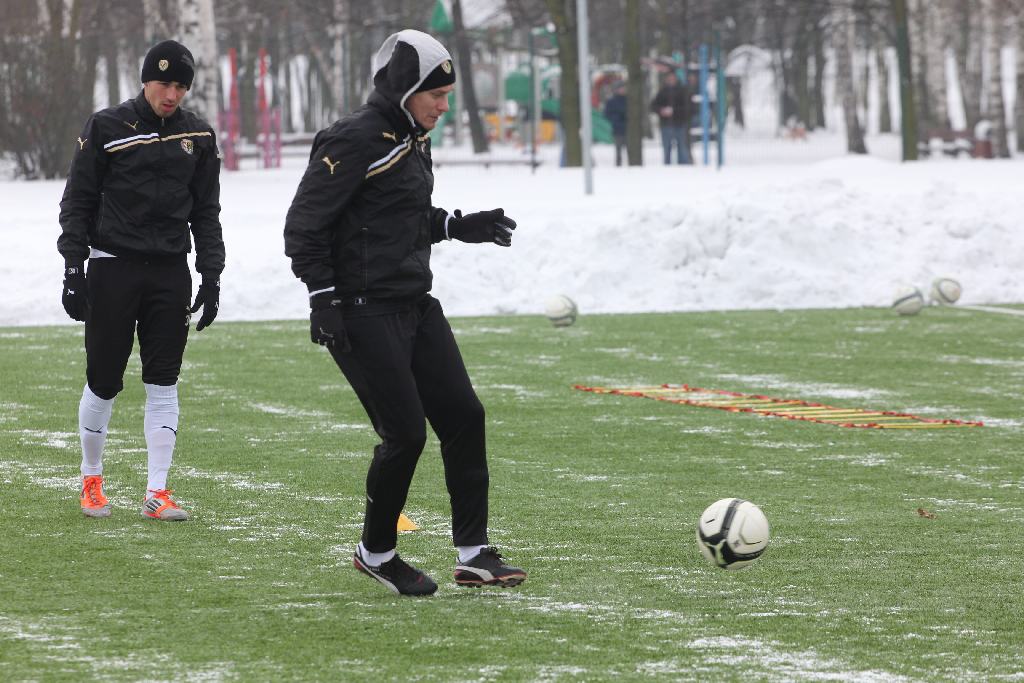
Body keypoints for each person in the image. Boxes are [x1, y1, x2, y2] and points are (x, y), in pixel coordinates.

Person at [283, 29, 527, 597]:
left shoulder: (413, 137)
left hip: (414, 303)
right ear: (403, 88)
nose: (444, 105)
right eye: (434, 94)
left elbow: (399, 216)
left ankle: (474, 554)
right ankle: (376, 553)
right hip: (361, 311)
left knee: (465, 416)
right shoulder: (351, 139)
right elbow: (304, 228)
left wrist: (455, 226)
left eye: (446, 95)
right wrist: (322, 298)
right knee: (405, 435)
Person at [58, 39, 224, 522]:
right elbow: (78, 202)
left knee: (164, 380)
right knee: (104, 381)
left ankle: (158, 491)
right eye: (164, 82)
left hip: (169, 271)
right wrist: (73, 269)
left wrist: (210, 274)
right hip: (113, 267)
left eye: (180, 86)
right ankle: (92, 481)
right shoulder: (106, 126)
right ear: (146, 79)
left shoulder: (200, 135)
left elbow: (207, 212)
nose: (171, 94)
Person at [650, 71, 692, 165]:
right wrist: (661, 110)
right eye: (669, 78)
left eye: (673, 77)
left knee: (682, 148)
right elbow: (653, 106)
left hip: (680, 124)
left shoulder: (683, 91)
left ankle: (683, 168)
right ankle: (667, 167)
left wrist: (674, 111)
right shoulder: (662, 91)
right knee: (667, 148)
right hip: (666, 124)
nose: (671, 80)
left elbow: (688, 107)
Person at [603, 81, 628, 166]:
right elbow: (606, 114)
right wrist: (616, 118)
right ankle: (618, 166)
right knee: (618, 150)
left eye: (623, 88)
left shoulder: (629, 100)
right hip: (617, 129)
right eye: (620, 88)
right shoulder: (611, 101)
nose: (622, 90)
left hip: (628, 129)